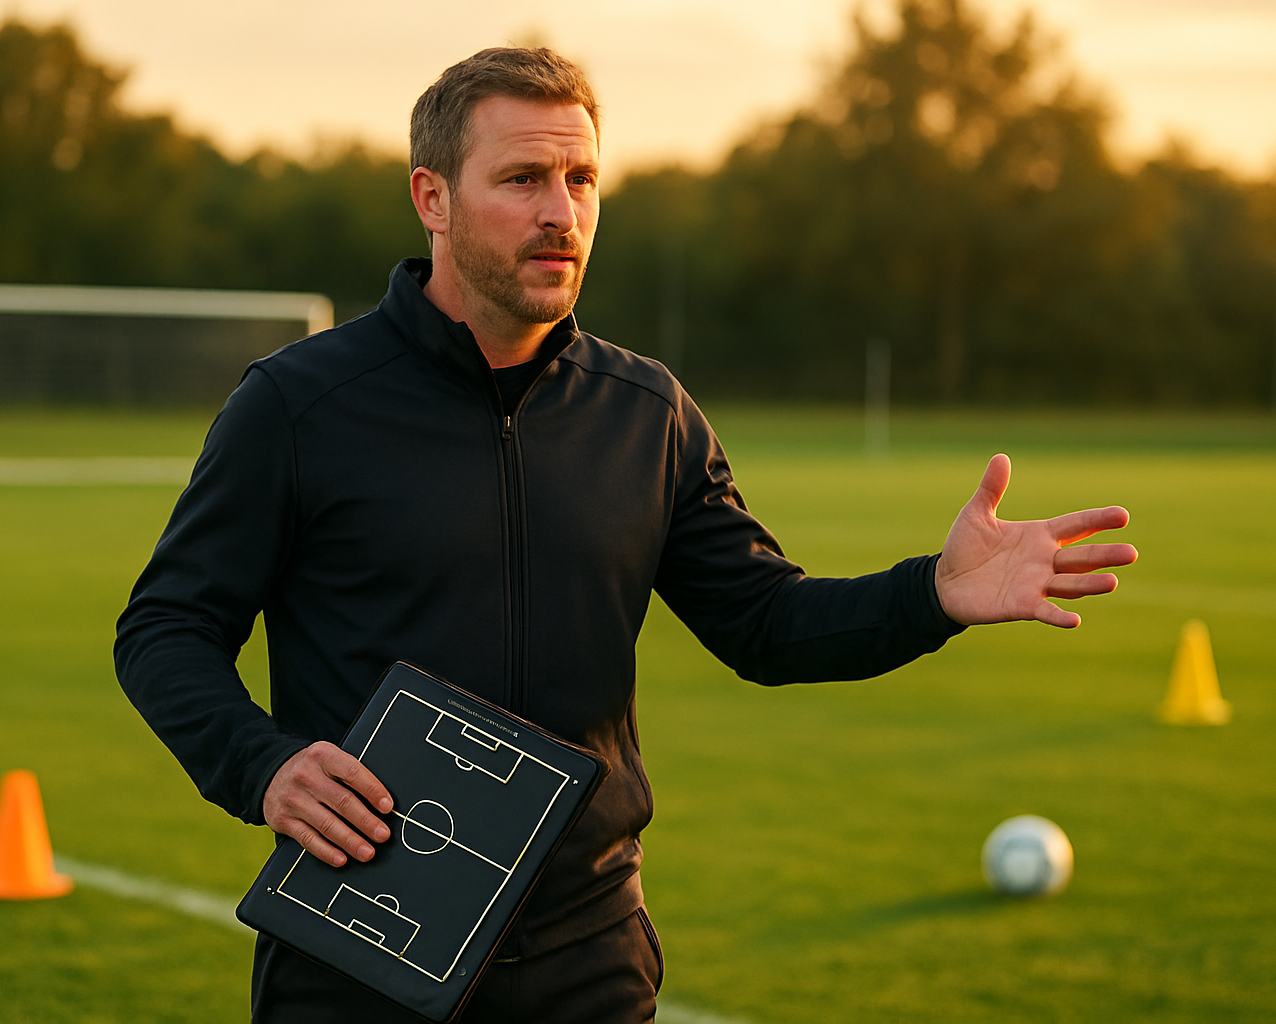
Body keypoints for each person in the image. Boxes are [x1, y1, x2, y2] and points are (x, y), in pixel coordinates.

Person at [113, 47, 1137, 1024]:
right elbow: (166, 625)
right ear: (432, 198)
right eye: (521, 178)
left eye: (581, 178)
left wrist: (934, 594)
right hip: (362, 935)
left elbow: (767, 624)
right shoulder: (300, 404)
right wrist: (263, 763)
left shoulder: (646, 412)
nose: (560, 212)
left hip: (586, 952)